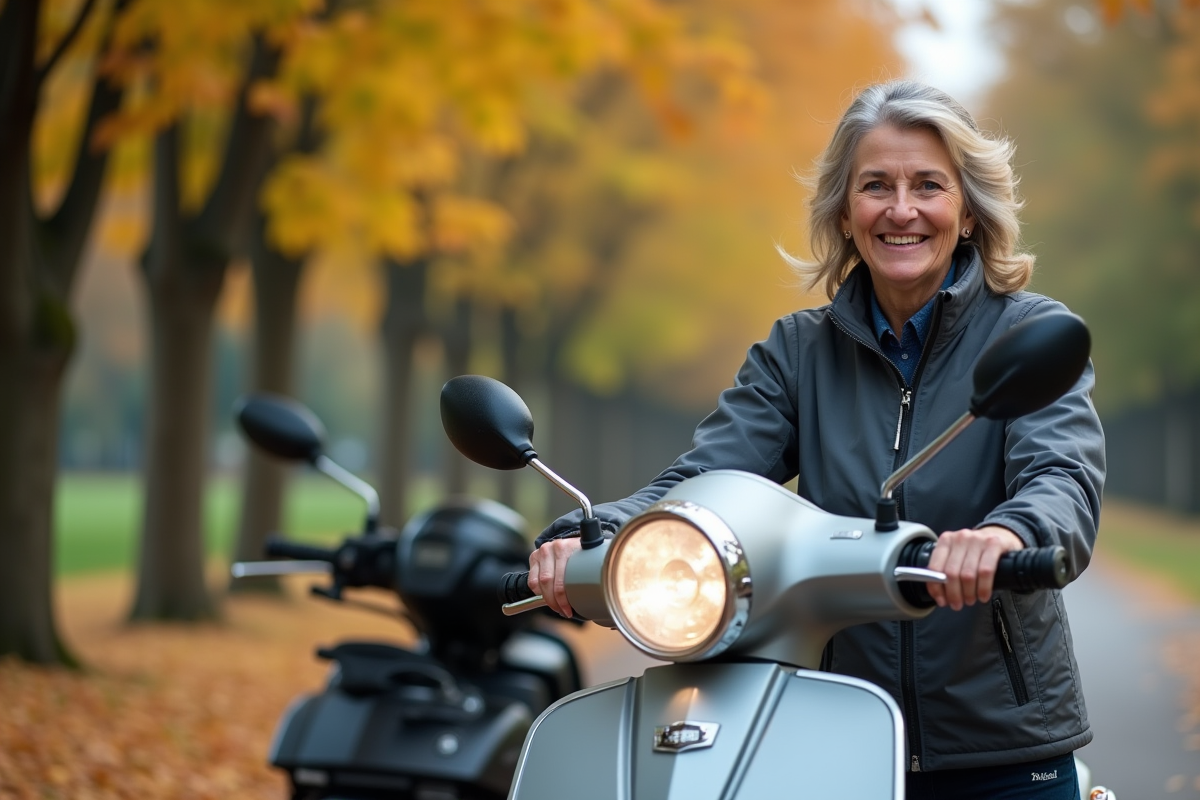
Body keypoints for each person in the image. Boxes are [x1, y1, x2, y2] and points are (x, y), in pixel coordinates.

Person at [528, 79, 1104, 799]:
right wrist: (597, 534)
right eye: (876, 186)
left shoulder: (1027, 336)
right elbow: (707, 478)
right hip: (833, 734)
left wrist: (1006, 536)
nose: (901, 209)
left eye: (928, 185)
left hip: (1003, 746)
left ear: (967, 212)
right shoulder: (798, 353)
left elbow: (1062, 477)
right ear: (843, 212)